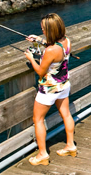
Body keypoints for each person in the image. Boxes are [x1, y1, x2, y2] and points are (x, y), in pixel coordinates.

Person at [25, 13, 77, 166]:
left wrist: (30, 59)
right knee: (66, 114)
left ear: (50, 30)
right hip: (63, 85)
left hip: (48, 89)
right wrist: (39, 40)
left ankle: (42, 154)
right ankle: (70, 145)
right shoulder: (66, 41)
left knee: (38, 120)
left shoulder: (50, 51)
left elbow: (41, 71)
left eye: (43, 29)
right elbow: (54, 46)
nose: (42, 31)